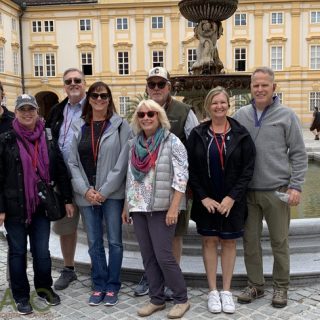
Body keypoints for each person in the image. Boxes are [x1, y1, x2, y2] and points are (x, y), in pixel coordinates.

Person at [234, 67, 308, 308]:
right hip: (248, 192)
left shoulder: (287, 115)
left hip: (277, 191)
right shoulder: (241, 115)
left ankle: (280, 287)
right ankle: (255, 284)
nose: (260, 89)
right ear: (250, 88)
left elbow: (298, 154)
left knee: (279, 242)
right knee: (250, 242)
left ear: (273, 87)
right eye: (256, 85)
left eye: (265, 85)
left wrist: (295, 186)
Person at [0, 94, 74, 315]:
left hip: (41, 206)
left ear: (37, 111)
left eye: (30, 109)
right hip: (14, 207)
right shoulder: (6, 139)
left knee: (42, 251)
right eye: (22, 109)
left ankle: (44, 289)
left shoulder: (47, 137)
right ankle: (21, 296)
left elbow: (60, 169)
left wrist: (68, 199)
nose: (27, 113)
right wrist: (1, 208)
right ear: (17, 111)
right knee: (18, 252)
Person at [186, 87, 255, 314]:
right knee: (208, 242)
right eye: (214, 103)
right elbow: (191, 169)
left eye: (223, 102)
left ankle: (226, 291)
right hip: (207, 201)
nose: (219, 106)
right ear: (208, 106)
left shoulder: (241, 134)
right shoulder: (197, 134)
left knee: (229, 243)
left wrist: (232, 197)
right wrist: (202, 196)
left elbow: (248, 169)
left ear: (228, 104)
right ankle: (213, 292)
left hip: (231, 202)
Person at [134, 66, 199, 298]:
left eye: (161, 84)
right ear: (147, 88)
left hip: (174, 191)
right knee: (150, 241)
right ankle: (152, 278)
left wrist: (188, 187)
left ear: (169, 87)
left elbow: (194, 148)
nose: (156, 88)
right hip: (145, 190)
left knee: (175, 235)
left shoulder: (184, 112)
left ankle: (172, 278)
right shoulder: (141, 111)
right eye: (152, 84)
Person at [122, 99, 190, 319]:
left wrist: (174, 208)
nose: (146, 118)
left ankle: (181, 299)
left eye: (151, 114)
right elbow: (130, 177)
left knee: (164, 256)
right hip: (139, 207)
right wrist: (127, 205)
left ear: (159, 117)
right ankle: (156, 299)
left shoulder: (173, 142)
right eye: (141, 115)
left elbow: (181, 177)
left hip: (162, 207)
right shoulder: (134, 143)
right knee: (148, 256)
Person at [68, 81, 131, 306]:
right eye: (94, 95)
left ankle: (113, 285)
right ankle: (99, 284)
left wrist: (103, 191)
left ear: (109, 99)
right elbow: (71, 162)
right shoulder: (78, 126)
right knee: (94, 242)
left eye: (103, 96)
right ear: (89, 99)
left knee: (114, 242)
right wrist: (85, 190)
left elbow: (124, 161)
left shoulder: (121, 125)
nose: (99, 99)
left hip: (111, 195)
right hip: (86, 194)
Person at [46, 68, 86, 290]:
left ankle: (102, 270)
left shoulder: (96, 105)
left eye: (77, 80)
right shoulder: (57, 110)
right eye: (69, 81)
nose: (73, 84)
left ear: (84, 83)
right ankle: (69, 269)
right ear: (64, 85)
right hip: (62, 178)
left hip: (89, 178)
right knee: (65, 225)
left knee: (96, 227)